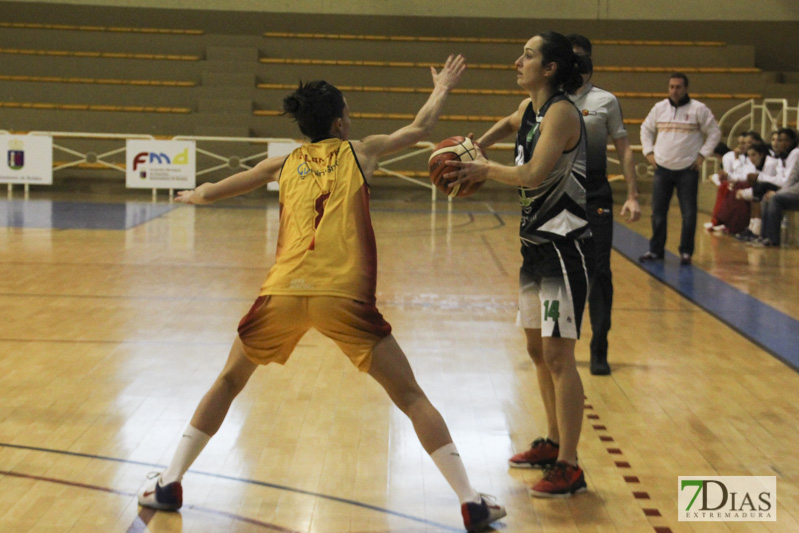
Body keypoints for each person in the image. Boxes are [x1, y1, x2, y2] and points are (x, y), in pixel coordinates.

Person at [136, 55, 506, 532]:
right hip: (344, 298)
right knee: (410, 396)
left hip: (283, 292)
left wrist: (196, 195)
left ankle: (169, 482)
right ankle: (470, 500)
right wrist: (443, 87)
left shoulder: (284, 162)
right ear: (339, 122)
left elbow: (217, 191)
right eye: (347, 112)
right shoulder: (361, 151)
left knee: (229, 382)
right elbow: (421, 127)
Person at [445, 31, 591, 498]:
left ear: (549, 68)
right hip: (535, 246)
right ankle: (551, 443)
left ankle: (570, 464)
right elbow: (508, 124)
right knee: (535, 351)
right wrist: (474, 146)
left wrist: (482, 169)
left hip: (564, 247)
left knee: (558, 356)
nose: (517, 60)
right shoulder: (532, 109)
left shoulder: (563, 112)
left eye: (527, 55)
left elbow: (531, 175)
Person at [565, 33, 641, 376]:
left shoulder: (606, 101)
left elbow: (624, 148)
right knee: (559, 273)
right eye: (572, 57)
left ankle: (600, 346)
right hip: (558, 196)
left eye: (583, 56)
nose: (578, 62)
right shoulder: (551, 99)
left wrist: (633, 194)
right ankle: (561, 346)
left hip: (595, 195)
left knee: (599, 272)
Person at [638, 72, 721, 266]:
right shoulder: (659, 108)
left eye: (678, 87)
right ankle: (656, 250)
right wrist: (648, 152)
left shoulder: (699, 109)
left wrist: (702, 155)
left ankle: (686, 252)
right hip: (662, 168)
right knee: (658, 213)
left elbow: (714, 132)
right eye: (672, 87)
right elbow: (645, 129)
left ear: (686, 88)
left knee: (689, 214)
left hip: (687, 170)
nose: (675, 90)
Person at [757, 155, 799, 246]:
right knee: (767, 197)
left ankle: (773, 239)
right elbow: (792, 180)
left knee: (776, 198)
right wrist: (780, 192)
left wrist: (779, 194)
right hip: (795, 193)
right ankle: (764, 236)